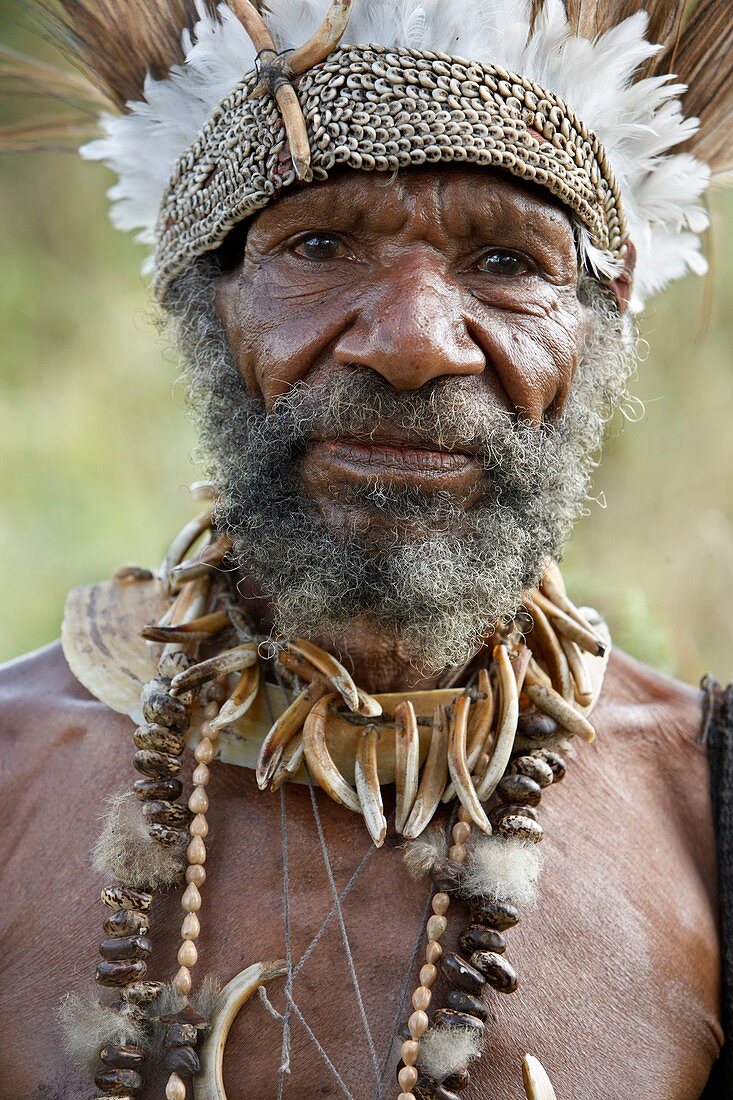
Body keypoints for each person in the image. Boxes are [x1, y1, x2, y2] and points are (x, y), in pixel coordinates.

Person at [1, 2, 731, 1098]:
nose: (412, 341)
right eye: (318, 245)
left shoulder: (701, 810)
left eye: (503, 257)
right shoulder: (15, 776)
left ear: (602, 313)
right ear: (204, 297)